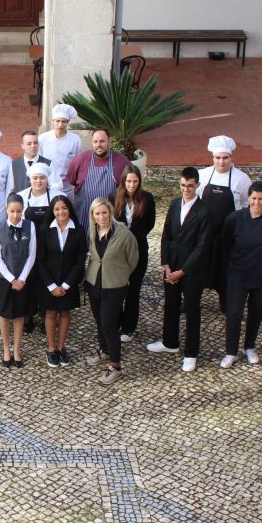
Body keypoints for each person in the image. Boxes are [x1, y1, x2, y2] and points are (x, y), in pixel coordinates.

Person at [147, 167, 212, 372]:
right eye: (183, 185)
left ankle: (191, 352)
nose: (186, 189)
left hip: (191, 271)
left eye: (190, 186)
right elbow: (166, 235)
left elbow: (202, 246)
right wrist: (166, 265)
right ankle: (170, 342)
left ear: (198, 186)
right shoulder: (175, 204)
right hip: (172, 266)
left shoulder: (204, 212)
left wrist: (182, 271)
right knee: (171, 305)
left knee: (192, 310)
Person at [221, 181, 262, 368]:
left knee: (256, 312)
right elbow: (224, 245)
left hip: (261, 276)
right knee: (233, 313)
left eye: (260, 199)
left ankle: (249, 347)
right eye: (253, 198)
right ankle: (230, 352)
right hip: (237, 275)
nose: (256, 202)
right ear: (248, 198)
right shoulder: (234, 219)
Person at [83, 198, 139, 384]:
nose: (101, 217)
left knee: (109, 324)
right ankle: (105, 351)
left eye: (104, 213)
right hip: (94, 283)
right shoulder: (92, 231)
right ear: (93, 215)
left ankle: (115, 366)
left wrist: (122, 275)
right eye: (97, 213)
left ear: (110, 212)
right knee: (100, 320)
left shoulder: (123, 234)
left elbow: (133, 259)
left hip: (114, 285)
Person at [198, 135, 253, 311]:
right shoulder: (203, 176)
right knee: (199, 267)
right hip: (205, 232)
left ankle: (225, 303)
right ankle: (194, 298)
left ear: (231, 158)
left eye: (225, 158)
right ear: (212, 158)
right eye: (218, 158)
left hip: (228, 234)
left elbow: (246, 206)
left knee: (225, 269)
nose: (221, 162)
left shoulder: (242, 180)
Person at [32, 195, 85, 368]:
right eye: (56, 209)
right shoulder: (45, 230)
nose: (60, 212)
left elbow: (80, 260)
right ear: (52, 211)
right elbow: (40, 260)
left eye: (64, 208)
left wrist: (67, 285)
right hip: (50, 282)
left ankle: (62, 348)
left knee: (65, 314)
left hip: (69, 282)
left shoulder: (78, 229)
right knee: (50, 313)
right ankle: (51, 348)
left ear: (69, 209)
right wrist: (52, 286)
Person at [15, 162, 65, 333]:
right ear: (30, 179)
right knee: (28, 280)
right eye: (35, 178)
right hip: (27, 245)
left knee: (46, 280)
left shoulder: (57, 195)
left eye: (42, 178)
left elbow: (64, 217)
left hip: (49, 246)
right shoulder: (21, 196)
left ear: (47, 179)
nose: (38, 181)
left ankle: (46, 315)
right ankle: (28, 315)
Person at [0, 193, 37, 368]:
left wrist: (22, 278)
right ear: (6, 209)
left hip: (23, 279)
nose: (15, 215)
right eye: (12, 211)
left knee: (19, 314)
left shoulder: (30, 226)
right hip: (4, 279)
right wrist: (12, 279)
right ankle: (6, 348)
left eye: (19, 211)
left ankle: (17, 349)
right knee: (4, 314)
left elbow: (31, 254)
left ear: (23, 210)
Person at [114, 164, 156, 343]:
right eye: (129, 181)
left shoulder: (147, 198)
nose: (132, 185)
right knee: (117, 288)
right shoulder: (114, 197)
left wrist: (135, 238)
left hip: (139, 249)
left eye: (135, 181)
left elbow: (150, 223)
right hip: (119, 252)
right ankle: (116, 322)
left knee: (134, 290)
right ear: (124, 181)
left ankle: (129, 326)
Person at [67, 130, 132, 228]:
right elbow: (71, 180)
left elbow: (129, 187)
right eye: (95, 141)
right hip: (84, 218)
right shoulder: (80, 160)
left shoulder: (122, 161)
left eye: (102, 141)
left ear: (109, 142)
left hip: (110, 218)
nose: (98, 145)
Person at [38, 103, 83, 193]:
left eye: (63, 121)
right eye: (57, 121)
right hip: (47, 185)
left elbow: (79, 163)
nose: (60, 124)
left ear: (67, 122)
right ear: (53, 121)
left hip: (67, 186)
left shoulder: (75, 140)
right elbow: (38, 162)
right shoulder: (42, 139)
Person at [9, 130, 52, 194]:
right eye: (29, 144)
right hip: (21, 203)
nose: (33, 146)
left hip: (43, 202)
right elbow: (10, 188)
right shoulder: (14, 164)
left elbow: (55, 185)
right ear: (22, 146)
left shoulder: (49, 163)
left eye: (35, 143)